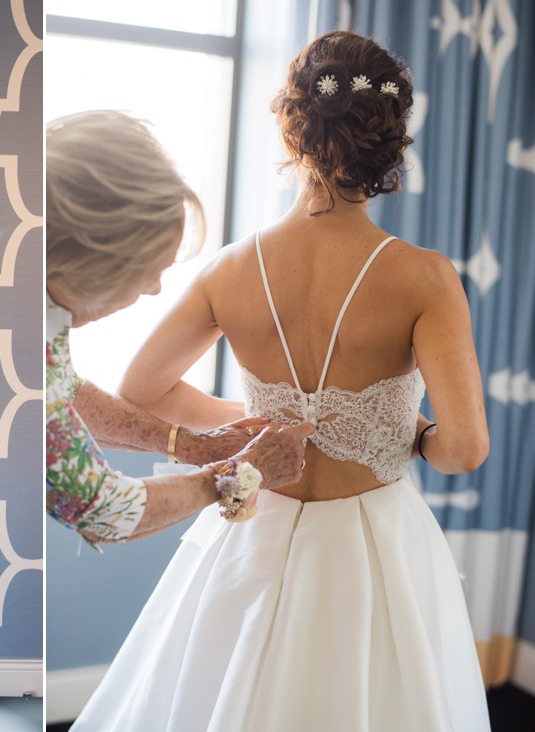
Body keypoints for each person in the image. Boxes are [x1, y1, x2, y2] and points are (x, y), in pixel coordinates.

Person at [72, 32, 490, 730]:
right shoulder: (425, 279)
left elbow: (142, 390)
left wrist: (257, 418)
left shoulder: (230, 270)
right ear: (388, 142)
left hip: (251, 531)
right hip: (373, 549)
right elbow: (465, 450)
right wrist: (410, 432)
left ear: (292, 129)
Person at [46, 110, 314, 545]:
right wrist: (237, 475)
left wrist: (196, 445)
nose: (153, 289)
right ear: (93, 253)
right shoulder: (21, 343)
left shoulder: (41, 309)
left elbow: (66, 393)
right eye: (145, 269)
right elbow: (105, 514)